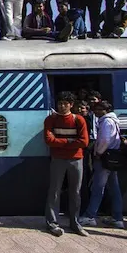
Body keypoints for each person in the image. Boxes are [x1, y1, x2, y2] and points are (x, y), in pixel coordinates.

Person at [44, 91, 90, 237]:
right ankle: (52, 223)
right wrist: (70, 142)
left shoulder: (79, 120)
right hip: (58, 159)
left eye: (65, 103)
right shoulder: (50, 120)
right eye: (60, 103)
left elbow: (84, 142)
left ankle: (75, 223)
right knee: (54, 191)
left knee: (75, 192)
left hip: (76, 159)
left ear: (71, 105)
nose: (62, 106)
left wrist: (60, 142)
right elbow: (48, 140)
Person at [78, 100, 125, 229]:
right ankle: (117, 217)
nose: (97, 112)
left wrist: (98, 153)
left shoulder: (106, 121)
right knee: (114, 189)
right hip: (112, 159)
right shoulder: (113, 121)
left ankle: (90, 216)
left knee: (97, 188)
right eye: (96, 109)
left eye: (99, 109)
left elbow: (105, 139)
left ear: (106, 110)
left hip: (104, 158)